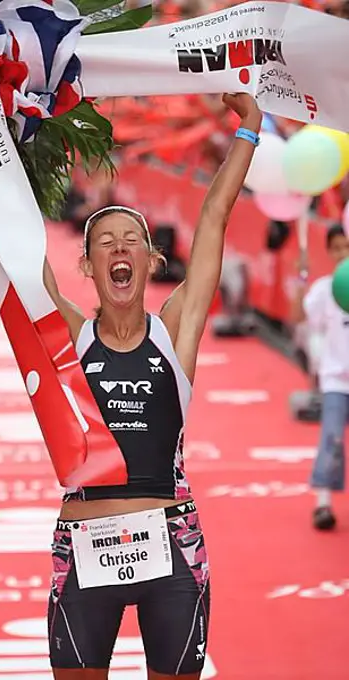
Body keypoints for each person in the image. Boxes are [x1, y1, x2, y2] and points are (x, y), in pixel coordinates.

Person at [43, 93, 262, 679]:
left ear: (152, 260)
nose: (118, 247)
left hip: (173, 548)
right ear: (87, 265)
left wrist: (251, 129)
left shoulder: (175, 333)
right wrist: (13, 138)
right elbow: (16, 258)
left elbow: (213, 216)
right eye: (104, 241)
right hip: (85, 546)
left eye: (130, 239)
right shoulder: (70, 335)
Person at [292, 225, 349, 531]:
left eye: (347, 247)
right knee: (332, 438)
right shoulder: (325, 289)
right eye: (337, 248)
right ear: (329, 252)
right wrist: (300, 279)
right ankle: (323, 503)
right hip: (336, 381)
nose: (342, 254)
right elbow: (298, 316)